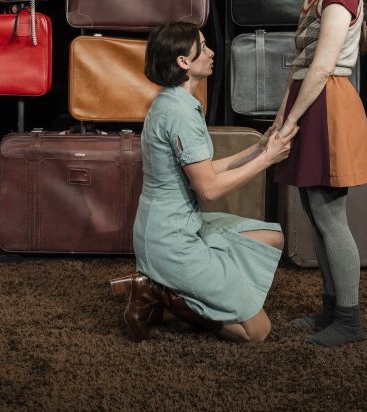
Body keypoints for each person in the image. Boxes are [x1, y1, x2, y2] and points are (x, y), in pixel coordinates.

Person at [110, 22, 297, 344]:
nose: (212, 53)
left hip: (175, 224)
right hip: (171, 239)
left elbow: (204, 170)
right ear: (183, 61)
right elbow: (209, 190)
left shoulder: (174, 102)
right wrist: (268, 160)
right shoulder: (180, 114)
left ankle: (199, 286)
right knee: (256, 333)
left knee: (272, 238)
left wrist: (258, 148)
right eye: (204, 47)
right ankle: (162, 291)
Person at [273, 0, 367, 347]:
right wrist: (282, 119)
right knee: (315, 213)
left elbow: (321, 68)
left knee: (329, 216)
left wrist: (291, 121)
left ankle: (349, 321)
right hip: (310, 102)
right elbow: (301, 66)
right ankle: (331, 308)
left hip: (327, 104)